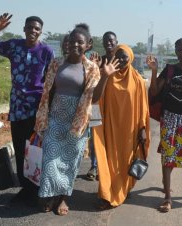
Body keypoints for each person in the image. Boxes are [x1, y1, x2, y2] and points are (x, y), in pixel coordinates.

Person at [34, 24, 119, 216]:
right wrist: (43, 116)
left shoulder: (92, 68)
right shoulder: (56, 63)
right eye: (72, 41)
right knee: (50, 159)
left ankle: (63, 197)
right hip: (55, 118)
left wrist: (105, 75)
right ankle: (49, 194)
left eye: (80, 42)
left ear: (87, 45)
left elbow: (94, 98)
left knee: (70, 161)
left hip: (77, 121)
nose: (75, 45)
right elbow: (48, 91)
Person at [0, 13, 54, 205]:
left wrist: (47, 108)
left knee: (36, 149)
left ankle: (37, 187)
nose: (33, 31)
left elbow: (50, 80)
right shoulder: (14, 46)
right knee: (21, 149)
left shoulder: (46, 51)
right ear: (24, 29)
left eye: (37, 28)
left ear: (40, 32)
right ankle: (25, 188)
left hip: (37, 108)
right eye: (30, 27)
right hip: (17, 107)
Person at [146, 38, 182, 212]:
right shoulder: (170, 70)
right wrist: (155, 71)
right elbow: (155, 91)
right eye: (179, 50)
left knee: (175, 157)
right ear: (176, 52)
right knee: (167, 155)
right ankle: (168, 198)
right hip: (169, 118)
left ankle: (166, 183)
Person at [93, 44, 151, 209]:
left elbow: (143, 107)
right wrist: (95, 123)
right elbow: (97, 100)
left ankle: (122, 190)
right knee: (108, 160)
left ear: (131, 58)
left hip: (129, 130)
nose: (122, 59)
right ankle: (106, 194)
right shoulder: (108, 76)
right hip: (109, 127)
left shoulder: (138, 80)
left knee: (126, 161)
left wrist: (142, 128)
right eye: (118, 56)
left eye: (125, 56)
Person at [87, 31, 119, 180]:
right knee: (95, 137)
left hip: (114, 107)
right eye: (106, 41)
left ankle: (107, 168)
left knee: (112, 137)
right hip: (96, 106)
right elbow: (93, 81)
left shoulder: (122, 61)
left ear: (116, 42)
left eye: (111, 41)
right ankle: (94, 166)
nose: (109, 43)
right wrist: (96, 67)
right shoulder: (100, 60)